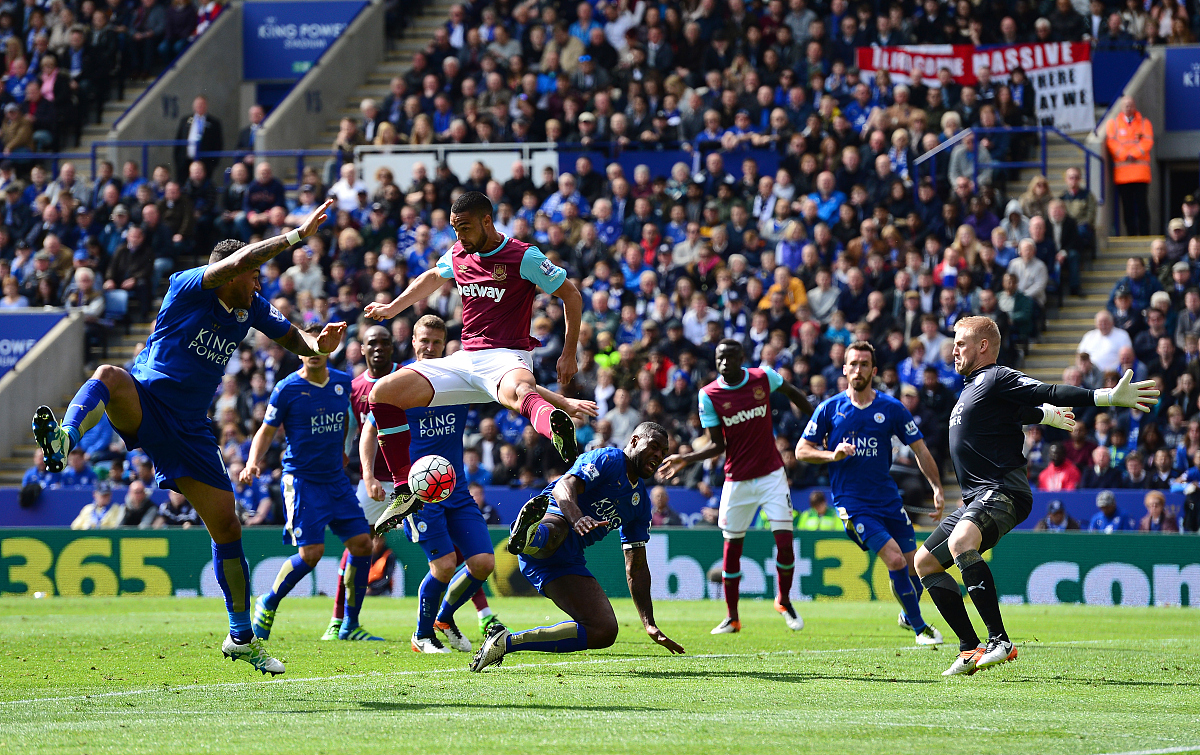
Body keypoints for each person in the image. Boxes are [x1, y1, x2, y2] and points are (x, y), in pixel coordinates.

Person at [31, 198, 341, 677]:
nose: (259, 283)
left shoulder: (249, 305)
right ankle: (64, 438)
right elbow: (241, 261)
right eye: (253, 275)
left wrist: (316, 347)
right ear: (229, 272)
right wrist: (296, 236)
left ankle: (241, 636)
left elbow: (291, 337)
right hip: (149, 402)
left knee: (228, 528)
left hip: (192, 430)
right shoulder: (189, 285)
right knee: (111, 375)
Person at [913, 317, 1157, 676]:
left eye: (962, 343)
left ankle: (1000, 641)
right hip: (975, 498)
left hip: (1003, 491)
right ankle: (969, 648)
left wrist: (1103, 397)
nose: (954, 349)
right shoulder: (973, 388)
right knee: (924, 563)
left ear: (983, 346)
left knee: (962, 541)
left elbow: (1046, 391)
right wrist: (1044, 417)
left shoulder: (996, 376)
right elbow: (1018, 410)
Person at [362, 192, 591, 531]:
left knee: (521, 391)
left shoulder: (523, 256)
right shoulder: (459, 252)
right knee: (382, 393)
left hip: (506, 356)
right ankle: (403, 491)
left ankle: (556, 429)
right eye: (455, 229)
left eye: (465, 228)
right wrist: (391, 308)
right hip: (464, 358)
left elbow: (571, 294)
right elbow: (432, 277)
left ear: (487, 221)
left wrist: (568, 352)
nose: (459, 237)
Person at [470, 422, 683, 672]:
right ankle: (530, 537)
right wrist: (577, 517)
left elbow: (635, 566)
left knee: (604, 630)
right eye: (654, 447)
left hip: (566, 562)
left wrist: (649, 622)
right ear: (634, 441)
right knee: (558, 530)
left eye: (663, 452)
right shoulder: (609, 458)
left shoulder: (640, 503)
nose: (659, 455)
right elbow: (564, 485)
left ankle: (505, 642)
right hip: (552, 520)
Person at [358, 315, 503, 653]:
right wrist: (368, 474)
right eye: (424, 341)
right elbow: (369, 430)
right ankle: (422, 635)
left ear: (444, 344)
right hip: (419, 493)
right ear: (412, 341)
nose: (430, 347)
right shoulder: (400, 383)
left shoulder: (460, 378)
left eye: (436, 342)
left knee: (483, 563)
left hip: (458, 488)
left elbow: (503, 383)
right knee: (444, 565)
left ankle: (444, 618)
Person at [796, 340, 947, 646]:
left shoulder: (891, 408)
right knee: (895, 561)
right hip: (853, 504)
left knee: (916, 565)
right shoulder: (829, 408)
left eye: (864, 364)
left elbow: (920, 449)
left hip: (889, 500)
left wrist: (937, 487)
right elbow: (801, 450)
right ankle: (920, 629)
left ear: (874, 370)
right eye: (853, 364)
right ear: (844, 368)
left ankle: (908, 613)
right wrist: (831, 455)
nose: (858, 369)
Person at [657, 339, 812, 634]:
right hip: (736, 480)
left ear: (742, 357)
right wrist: (685, 459)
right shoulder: (709, 395)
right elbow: (717, 444)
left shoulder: (763, 377)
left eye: (730, 357)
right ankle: (732, 617)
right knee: (732, 546)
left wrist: (819, 425)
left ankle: (784, 600)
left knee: (784, 542)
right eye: (719, 358)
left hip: (771, 475)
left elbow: (794, 394)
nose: (724, 363)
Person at [242, 323, 381, 644]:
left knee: (362, 544)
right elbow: (265, 430)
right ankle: (268, 602)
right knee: (311, 554)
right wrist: (253, 462)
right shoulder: (286, 388)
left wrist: (347, 450)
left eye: (320, 344)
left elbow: (358, 418)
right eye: (307, 344)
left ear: (330, 347)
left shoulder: (345, 383)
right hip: (302, 481)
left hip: (336, 480)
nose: (313, 351)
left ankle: (350, 624)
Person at [1105, 96, 1153, 236]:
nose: (1128, 108)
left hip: (1141, 174)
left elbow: (1147, 141)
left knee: (1142, 205)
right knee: (1127, 207)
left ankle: (1145, 233)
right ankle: (1131, 234)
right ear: (1121, 107)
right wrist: (1125, 154)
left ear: (1135, 106)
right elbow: (1111, 143)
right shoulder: (1113, 124)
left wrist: (1134, 153)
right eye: (1126, 105)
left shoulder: (1144, 123)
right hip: (1123, 176)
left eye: (1130, 105)